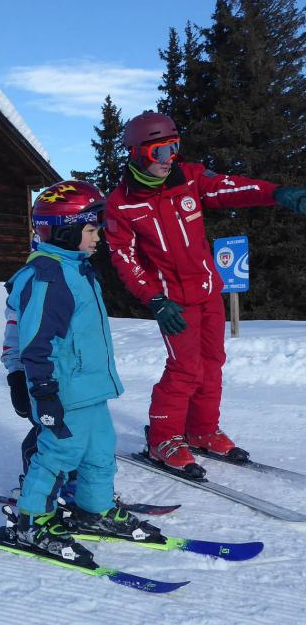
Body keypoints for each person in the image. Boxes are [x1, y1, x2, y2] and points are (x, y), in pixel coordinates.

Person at [105, 111, 306, 477]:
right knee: (184, 369)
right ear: (135, 153)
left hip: (208, 292)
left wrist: (276, 193)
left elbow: (233, 188)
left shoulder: (191, 178)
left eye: (173, 148)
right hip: (172, 302)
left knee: (212, 364)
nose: (168, 160)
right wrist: (154, 298)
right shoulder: (122, 204)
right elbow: (124, 258)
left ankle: (201, 429)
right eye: (158, 153)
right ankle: (164, 437)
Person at [3, 180, 160, 562]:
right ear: (67, 230)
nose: (99, 237)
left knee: (100, 449)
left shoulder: (78, 270)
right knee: (58, 453)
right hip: (64, 387)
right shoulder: (49, 277)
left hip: (89, 386)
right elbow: (37, 342)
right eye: (92, 230)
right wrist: (41, 389)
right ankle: (33, 521)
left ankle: (94, 508)